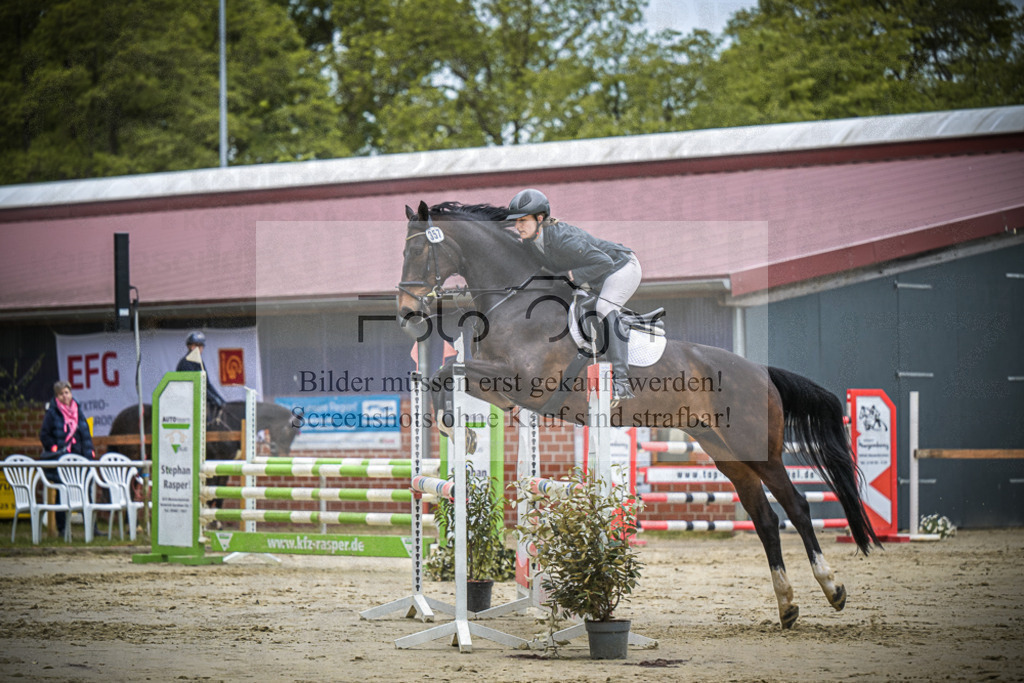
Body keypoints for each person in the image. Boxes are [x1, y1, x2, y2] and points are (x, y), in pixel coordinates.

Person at [507, 188, 641, 404]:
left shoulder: (563, 238)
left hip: (621, 266)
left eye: (522, 220)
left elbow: (604, 262)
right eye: (516, 222)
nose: (518, 226)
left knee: (604, 309)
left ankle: (622, 382)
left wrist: (569, 276)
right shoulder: (531, 243)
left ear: (540, 218)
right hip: (596, 275)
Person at [38, 380, 96, 536]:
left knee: (86, 490)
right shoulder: (52, 412)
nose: (65, 396)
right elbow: (44, 435)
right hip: (62, 458)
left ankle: (91, 527)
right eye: (61, 394)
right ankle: (63, 528)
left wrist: (90, 452)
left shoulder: (78, 409)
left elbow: (85, 434)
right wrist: (54, 447)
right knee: (62, 492)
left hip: (79, 455)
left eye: (67, 392)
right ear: (57, 396)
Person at [176, 330, 226, 414]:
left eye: (201, 346)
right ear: (190, 347)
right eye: (196, 346)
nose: (200, 349)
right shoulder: (185, 363)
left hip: (197, 402)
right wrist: (213, 398)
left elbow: (207, 384)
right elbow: (195, 387)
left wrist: (219, 398)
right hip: (185, 404)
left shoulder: (199, 362)